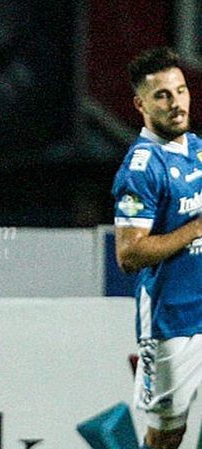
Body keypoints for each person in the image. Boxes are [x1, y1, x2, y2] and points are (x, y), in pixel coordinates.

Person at [112, 46, 202, 449]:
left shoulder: (198, 149)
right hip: (171, 323)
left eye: (180, 91)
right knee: (168, 435)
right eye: (163, 95)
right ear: (141, 104)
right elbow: (129, 255)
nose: (176, 102)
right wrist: (196, 228)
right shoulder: (142, 166)